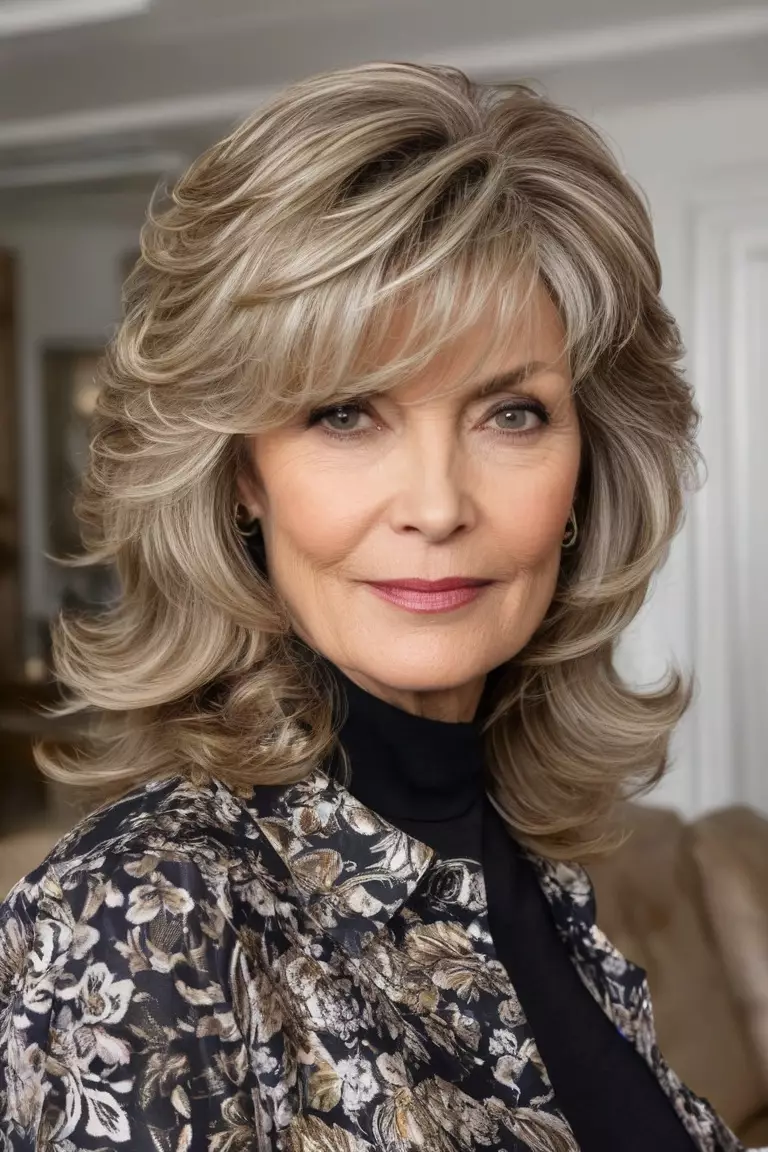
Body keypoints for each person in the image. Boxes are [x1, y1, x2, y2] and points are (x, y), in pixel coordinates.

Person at [0, 61, 745, 1152]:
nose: (438, 506)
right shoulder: (139, 915)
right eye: (347, 414)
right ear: (243, 474)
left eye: (512, 413)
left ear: (587, 465)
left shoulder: (526, 865)